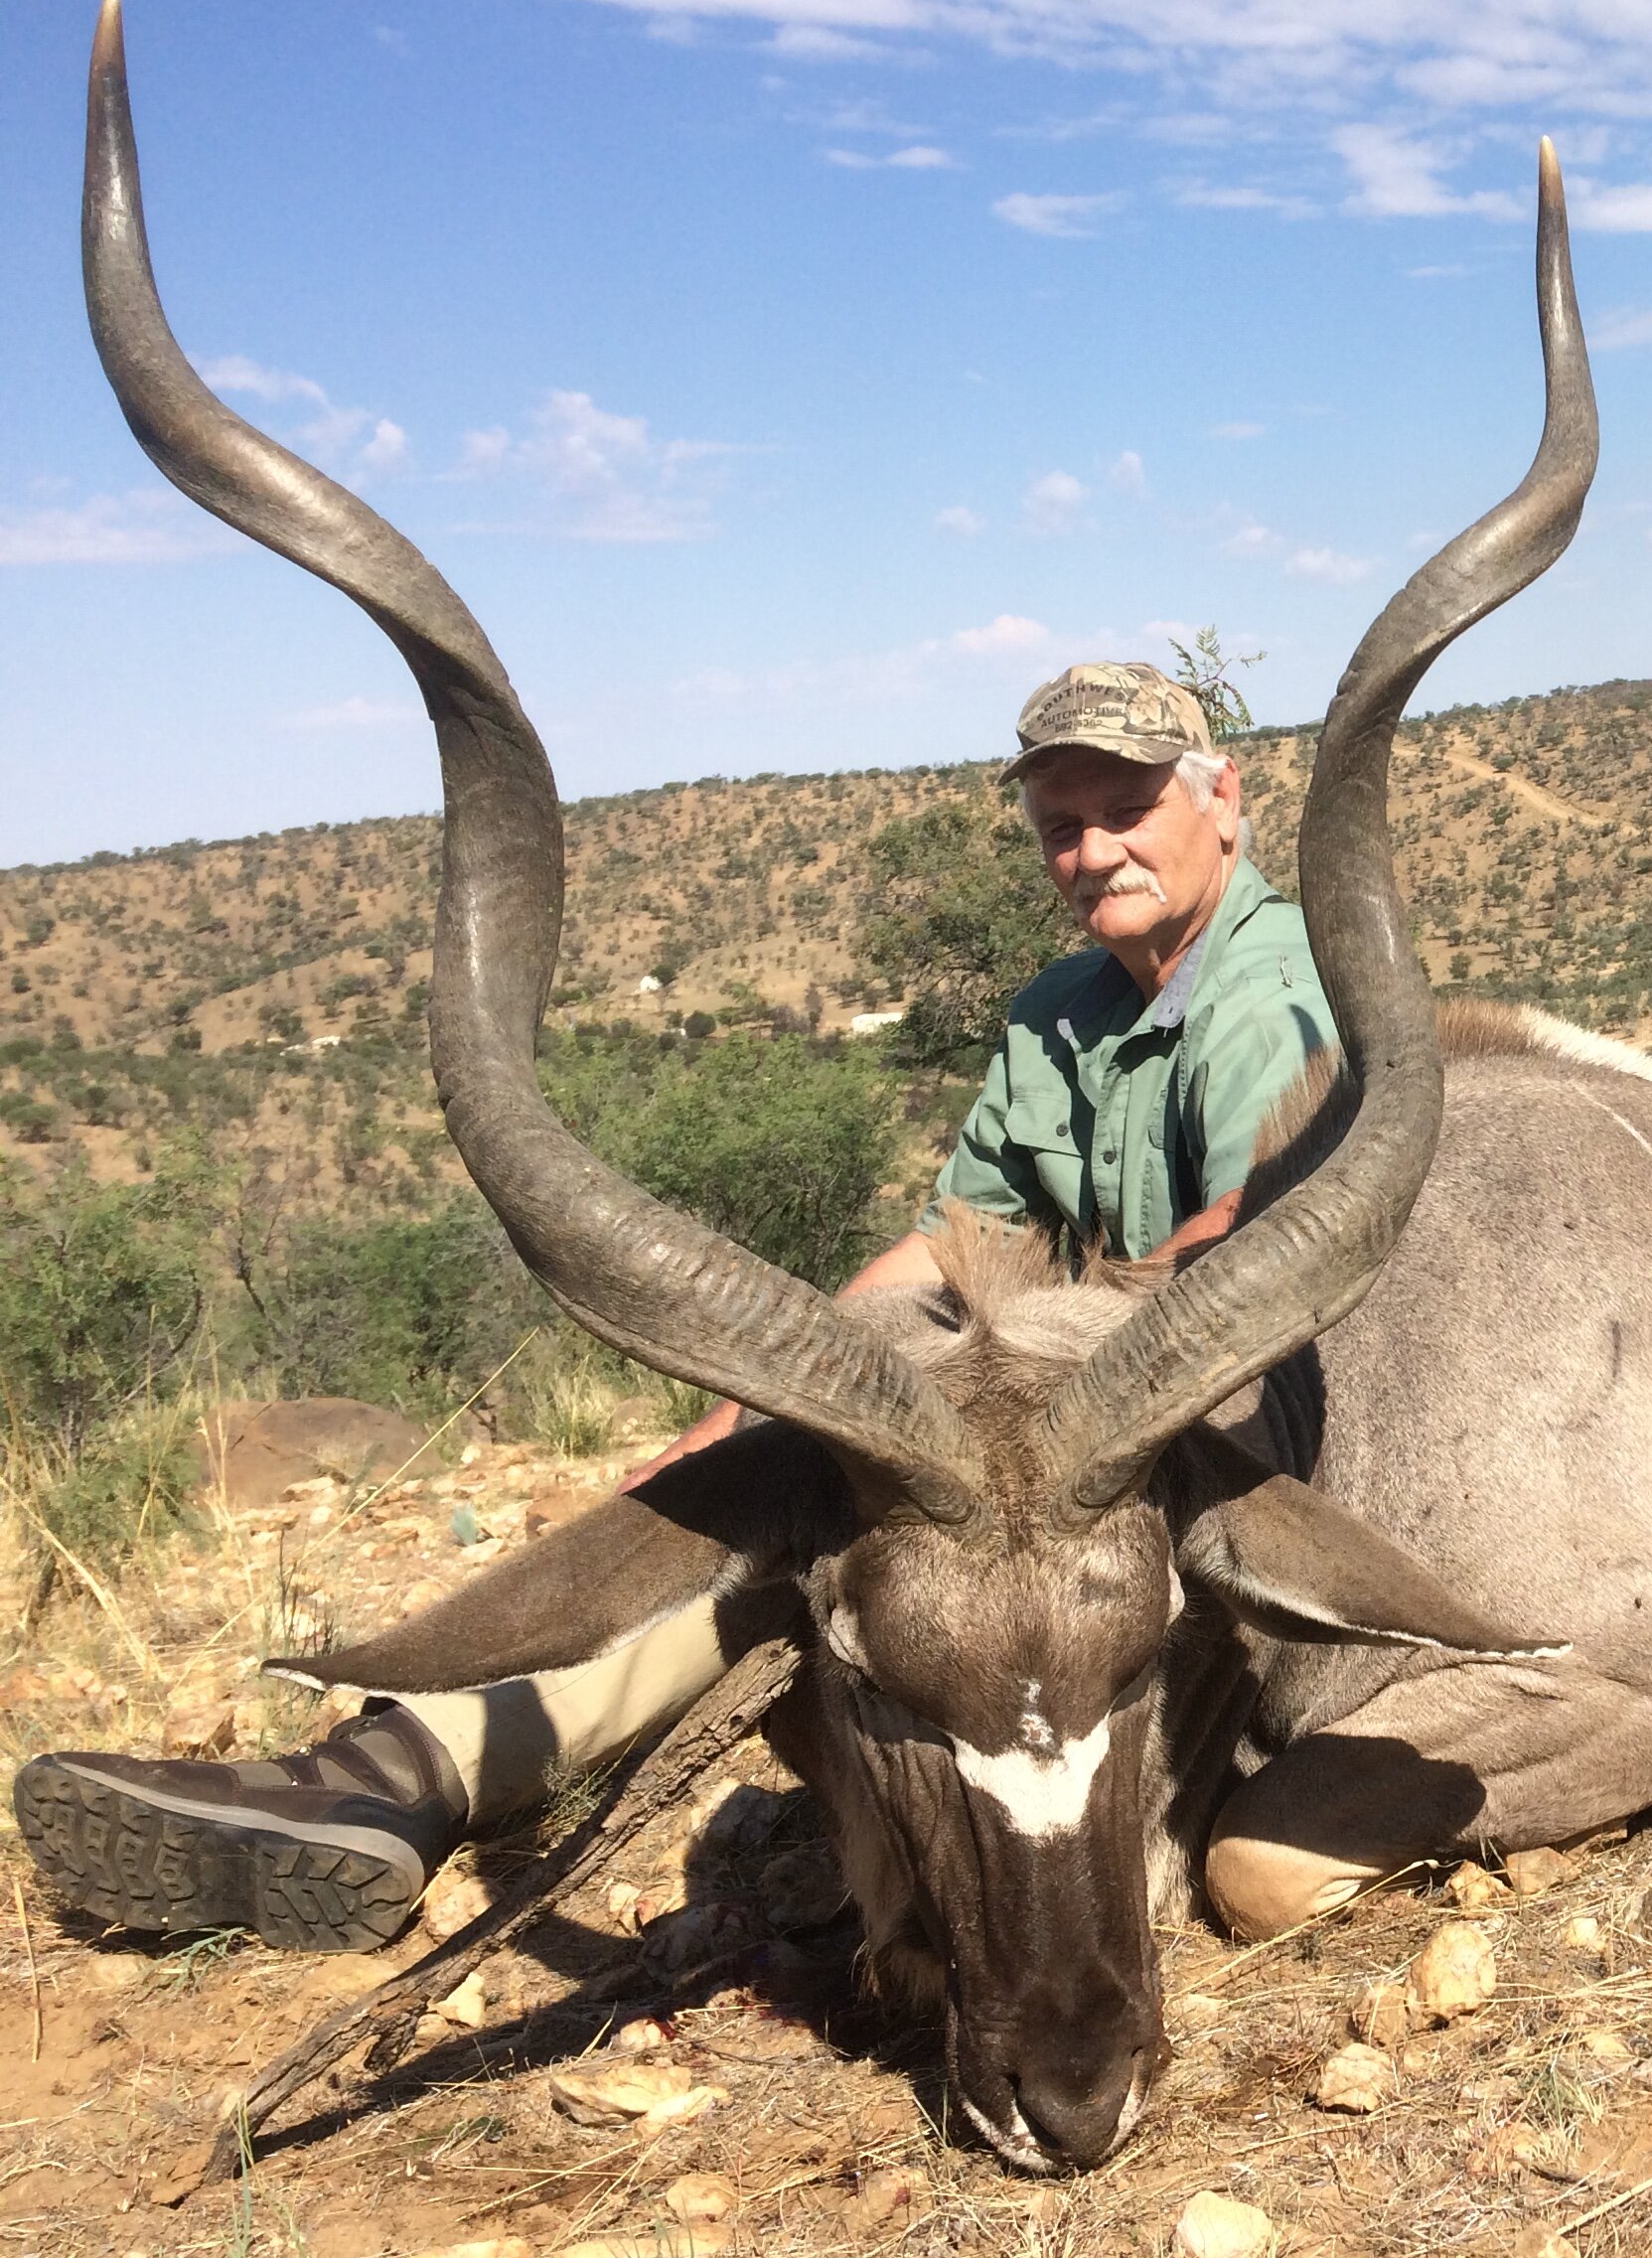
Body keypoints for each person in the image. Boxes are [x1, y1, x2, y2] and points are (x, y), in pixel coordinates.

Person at [12, 664, 1340, 1950]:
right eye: (1064, 825)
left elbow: (1246, 1255)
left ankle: (416, 1769)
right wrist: (748, 1402)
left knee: (814, 1558)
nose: (1096, 849)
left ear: (1220, 797)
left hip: (1189, 1450)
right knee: (742, 1488)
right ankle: (407, 1764)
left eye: (1128, 810)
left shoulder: (1270, 985)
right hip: (1038, 1455)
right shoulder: (1067, 1007)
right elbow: (954, 1245)